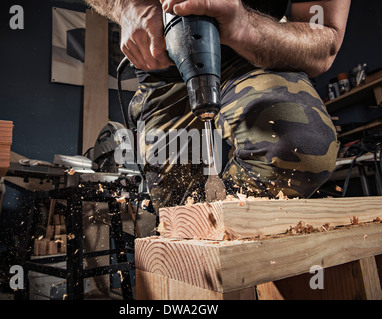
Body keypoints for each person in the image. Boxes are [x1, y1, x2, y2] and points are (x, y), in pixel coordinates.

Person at [87, 0, 351, 212]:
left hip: (258, 49)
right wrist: (126, 6)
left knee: (297, 150)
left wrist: (245, 26)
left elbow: (323, 35)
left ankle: (232, 226)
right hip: (164, 63)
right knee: (175, 207)